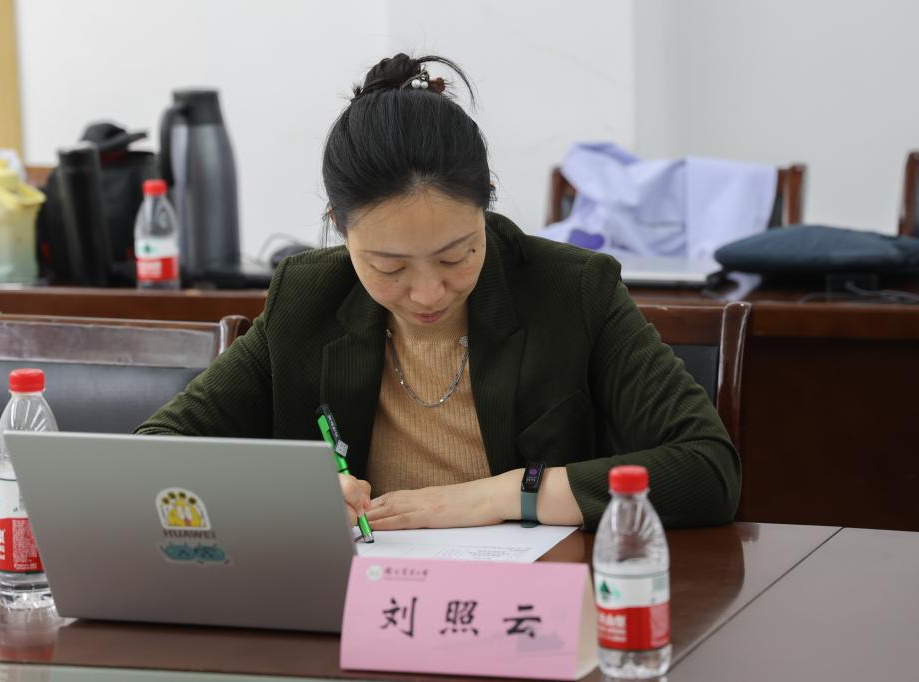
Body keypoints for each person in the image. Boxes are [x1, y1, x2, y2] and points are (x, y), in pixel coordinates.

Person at [136, 53, 741, 532]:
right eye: (389, 266)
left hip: (533, 608)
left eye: (456, 256)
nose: (428, 293)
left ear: (486, 207)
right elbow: (152, 454)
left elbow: (707, 467)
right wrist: (288, 492)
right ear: (340, 228)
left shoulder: (571, 290)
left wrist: (502, 496)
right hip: (359, 607)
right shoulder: (306, 298)